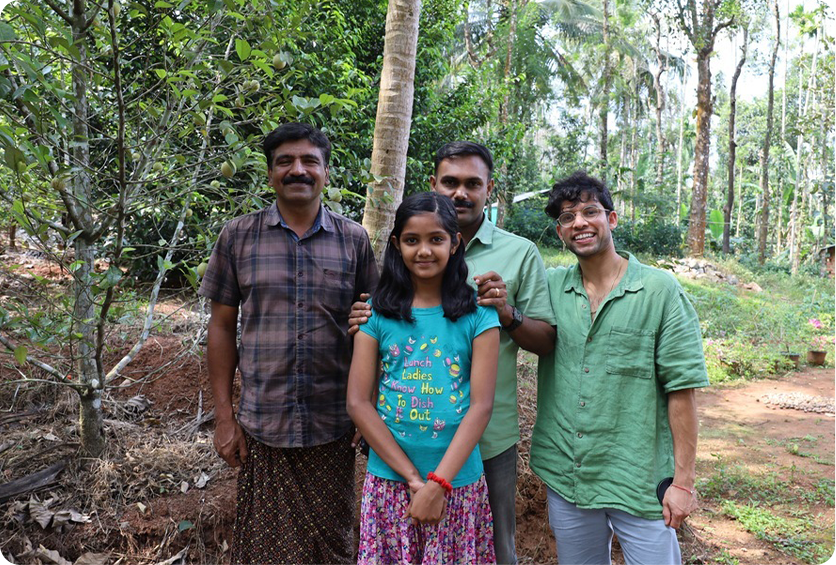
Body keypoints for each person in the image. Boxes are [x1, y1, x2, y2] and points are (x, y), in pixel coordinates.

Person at [351, 141, 555, 565]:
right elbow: (363, 391)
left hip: (483, 447)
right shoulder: (384, 305)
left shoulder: (511, 266)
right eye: (450, 182)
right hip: (396, 462)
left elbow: (546, 340)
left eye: (472, 183)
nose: (424, 250)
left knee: (496, 549)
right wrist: (411, 476)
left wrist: (506, 311)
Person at [198, 122, 379, 564]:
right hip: (263, 427)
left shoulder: (354, 240)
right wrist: (224, 418)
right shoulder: (238, 237)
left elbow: (374, 329)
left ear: (326, 172)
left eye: (309, 161)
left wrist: (369, 408)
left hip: (333, 426)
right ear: (270, 173)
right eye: (285, 162)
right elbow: (221, 328)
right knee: (266, 550)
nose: (298, 170)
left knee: (333, 544)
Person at [530, 171, 708, 565]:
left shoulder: (660, 291)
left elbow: (682, 390)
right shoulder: (551, 287)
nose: (579, 222)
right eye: (566, 217)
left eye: (590, 211)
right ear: (560, 232)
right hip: (568, 477)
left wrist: (683, 483)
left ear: (611, 219)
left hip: (640, 481)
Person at [347, 192, 501, 564]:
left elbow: (481, 406)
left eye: (436, 239)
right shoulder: (376, 316)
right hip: (390, 482)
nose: (425, 251)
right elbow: (357, 402)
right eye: (412, 240)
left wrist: (438, 484)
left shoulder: (479, 316)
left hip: (456, 484)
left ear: (455, 243)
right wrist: (414, 480)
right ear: (397, 245)